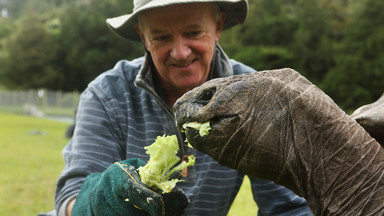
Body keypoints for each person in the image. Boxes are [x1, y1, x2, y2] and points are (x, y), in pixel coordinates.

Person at [54, 0, 313, 215]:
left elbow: (287, 208)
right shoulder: (106, 95)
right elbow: (70, 200)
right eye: (162, 37)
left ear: (218, 25)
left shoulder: (254, 99)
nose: (180, 52)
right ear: (143, 37)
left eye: (193, 33)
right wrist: (101, 202)